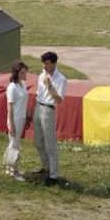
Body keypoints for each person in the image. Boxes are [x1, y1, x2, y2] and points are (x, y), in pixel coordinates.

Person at [34, 51, 67, 186]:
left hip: (49, 109)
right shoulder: (41, 75)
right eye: (44, 64)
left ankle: (53, 175)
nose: (45, 66)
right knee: (38, 142)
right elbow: (38, 93)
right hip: (38, 106)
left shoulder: (61, 79)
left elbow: (59, 100)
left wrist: (50, 86)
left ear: (54, 63)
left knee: (50, 143)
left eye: (48, 64)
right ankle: (46, 167)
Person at [4, 60, 29, 181]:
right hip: (15, 119)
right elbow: (10, 108)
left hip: (22, 118)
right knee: (15, 145)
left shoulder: (23, 84)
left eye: (26, 72)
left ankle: (10, 167)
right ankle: (14, 170)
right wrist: (12, 126)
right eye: (23, 73)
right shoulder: (12, 88)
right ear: (17, 73)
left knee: (14, 143)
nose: (25, 75)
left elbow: (24, 100)